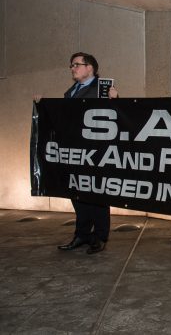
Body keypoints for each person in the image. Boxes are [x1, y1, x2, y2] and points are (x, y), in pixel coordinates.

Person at [57, 52, 118, 254]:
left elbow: (116, 116)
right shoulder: (71, 91)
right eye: (71, 65)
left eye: (76, 64)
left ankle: (99, 237)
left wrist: (115, 100)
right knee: (78, 192)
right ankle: (81, 234)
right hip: (75, 151)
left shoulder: (102, 89)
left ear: (89, 67)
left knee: (97, 192)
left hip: (96, 152)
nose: (73, 68)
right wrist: (42, 104)